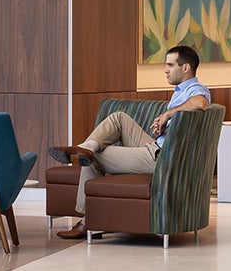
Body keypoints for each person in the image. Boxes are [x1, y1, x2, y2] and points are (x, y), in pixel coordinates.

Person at [51, 45, 212, 240]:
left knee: (95, 157)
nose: (166, 70)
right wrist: (164, 124)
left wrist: (168, 114)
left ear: (186, 68)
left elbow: (201, 103)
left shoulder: (195, 89)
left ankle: (88, 220)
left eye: (170, 65)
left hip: (160, 157)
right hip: (157, 145)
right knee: (118, 118)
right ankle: (87, 147)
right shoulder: (180, 91)